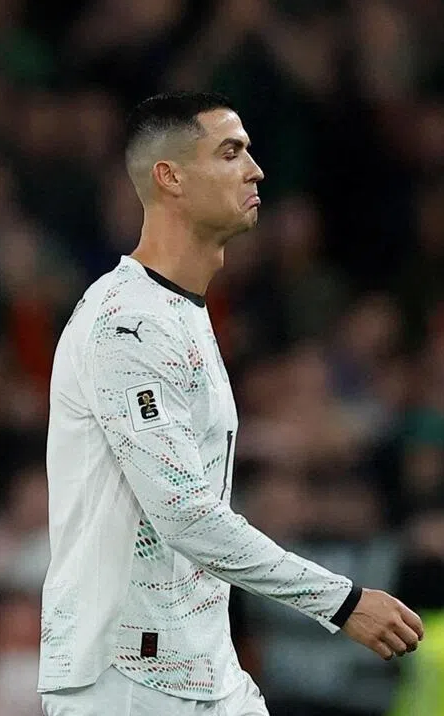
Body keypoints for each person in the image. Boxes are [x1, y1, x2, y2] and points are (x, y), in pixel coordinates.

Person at [37, 92, 424, 716]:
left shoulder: (180, 312)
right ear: (171, 178)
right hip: (127, 677)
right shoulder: (126, 324)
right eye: (230, 152)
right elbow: (183, 514)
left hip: (200, 667)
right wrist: (340, 600)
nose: (256, 169)